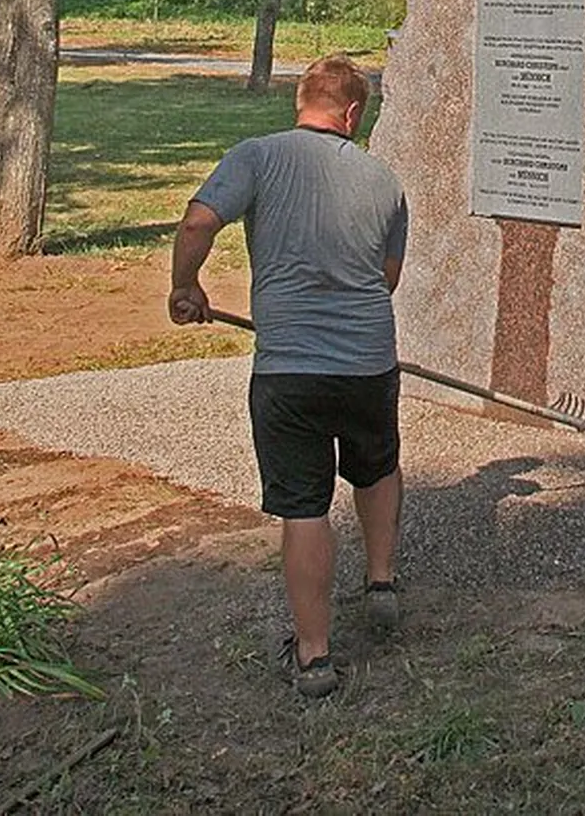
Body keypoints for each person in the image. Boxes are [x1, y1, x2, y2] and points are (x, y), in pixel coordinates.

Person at [168, 54, 408, 699]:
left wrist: (185, 285)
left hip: (290, 368)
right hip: (367, 362)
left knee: (305, 509)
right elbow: (385, 280)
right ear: (354, 114)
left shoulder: (256, 155)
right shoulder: (384, 180)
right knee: (377, 466)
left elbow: (198, 221)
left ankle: (314, 656)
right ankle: (381, 582)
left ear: (301, 102)